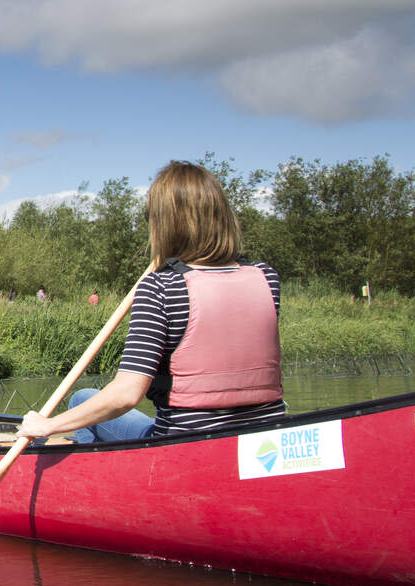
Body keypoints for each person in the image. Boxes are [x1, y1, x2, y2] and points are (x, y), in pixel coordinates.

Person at [18, 160, 286, 445]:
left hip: (184, 446)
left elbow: (126, 394)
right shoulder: (266, 278)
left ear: (165, 223)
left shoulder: (161, 287)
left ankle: (105, 482)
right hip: (262, 443)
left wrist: (48, 425)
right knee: (89, 401)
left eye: (150, 217)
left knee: (83, 398)